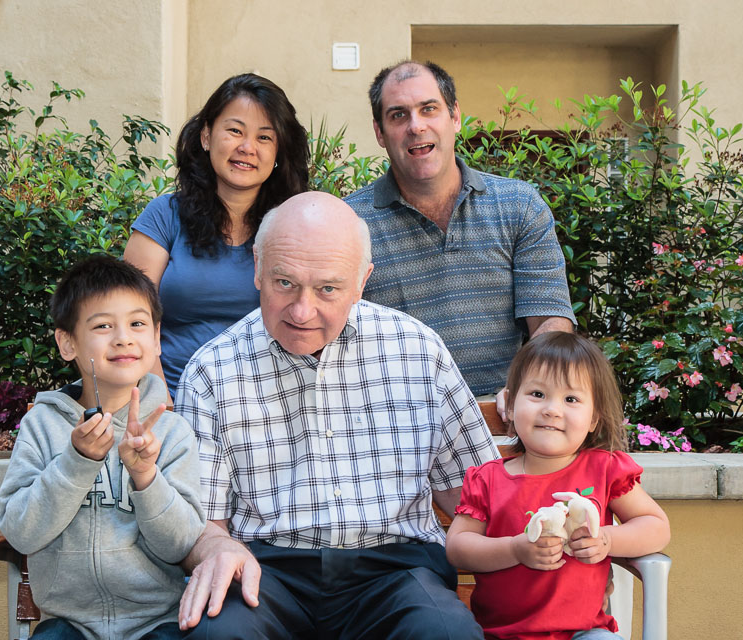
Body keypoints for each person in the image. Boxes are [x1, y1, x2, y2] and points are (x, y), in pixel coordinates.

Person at [174, 191, 500, 639]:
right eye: (284, 282)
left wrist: (554, 543)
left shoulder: (417, 350)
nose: (302, 311)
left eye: (327, 289)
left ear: (362, 281)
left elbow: (477, 495)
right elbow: (204, 523)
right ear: (257, 267)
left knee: (446, 634)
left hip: (397, 573)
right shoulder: (213, 370)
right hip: (267, 572)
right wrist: (215, 547)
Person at [0, 256, 206, 640]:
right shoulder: (43, 426)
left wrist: (145, 476)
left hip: (159, 622)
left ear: (157, 338)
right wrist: (76, 462)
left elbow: (180, 545)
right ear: (67, 343)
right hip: (67, 624)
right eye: (103, 325)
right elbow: (20, 532)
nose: (123, 337)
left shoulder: (172, 433)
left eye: (137, 324)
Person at [345, 60, 576, 406]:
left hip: (501, 413)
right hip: (396, 416)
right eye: (398, 115)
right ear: (380, 132)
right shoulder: (348, 222)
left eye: (429, 109)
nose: (416, 126)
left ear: (455, 117)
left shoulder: (519, 205)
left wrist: (528, 388)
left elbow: (549, 321)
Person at [445, 332, 671, 639]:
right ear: (509, 406)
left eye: (571, 399)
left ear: (594, 419)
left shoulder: (604, 469)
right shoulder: (488, 479)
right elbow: (458, 547)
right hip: (501, 634)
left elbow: (656, 526)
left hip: (584, 632)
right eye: (537, 394)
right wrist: (514, 549)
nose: (552, 409)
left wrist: (607, 540)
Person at [124, 73, 309, 398]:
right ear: (207, 136)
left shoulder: (295, 226)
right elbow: (128, 317)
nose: (247, 148)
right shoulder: (164, 216)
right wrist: (162, 405)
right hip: (171, 399)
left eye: (264, 137)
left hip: (269, 404)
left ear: (279, 152)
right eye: (235, 131)